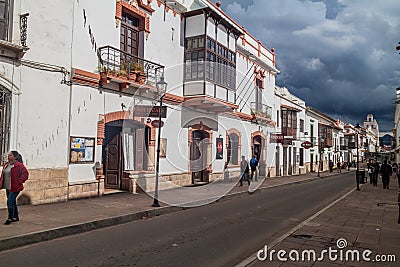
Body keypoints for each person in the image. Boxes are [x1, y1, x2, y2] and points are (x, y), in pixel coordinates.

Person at [0, 151, 29, 225]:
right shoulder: (6, 165)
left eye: (10, 155)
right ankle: (16, 217)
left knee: (9, 202)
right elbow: (3, 175)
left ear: (15, 157)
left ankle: (10, 218)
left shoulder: (19, 165)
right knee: (12, 202)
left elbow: (25, 174)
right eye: (8, 155)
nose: (8, 156)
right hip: (7, 186)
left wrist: (18, 182)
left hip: (15, 187)